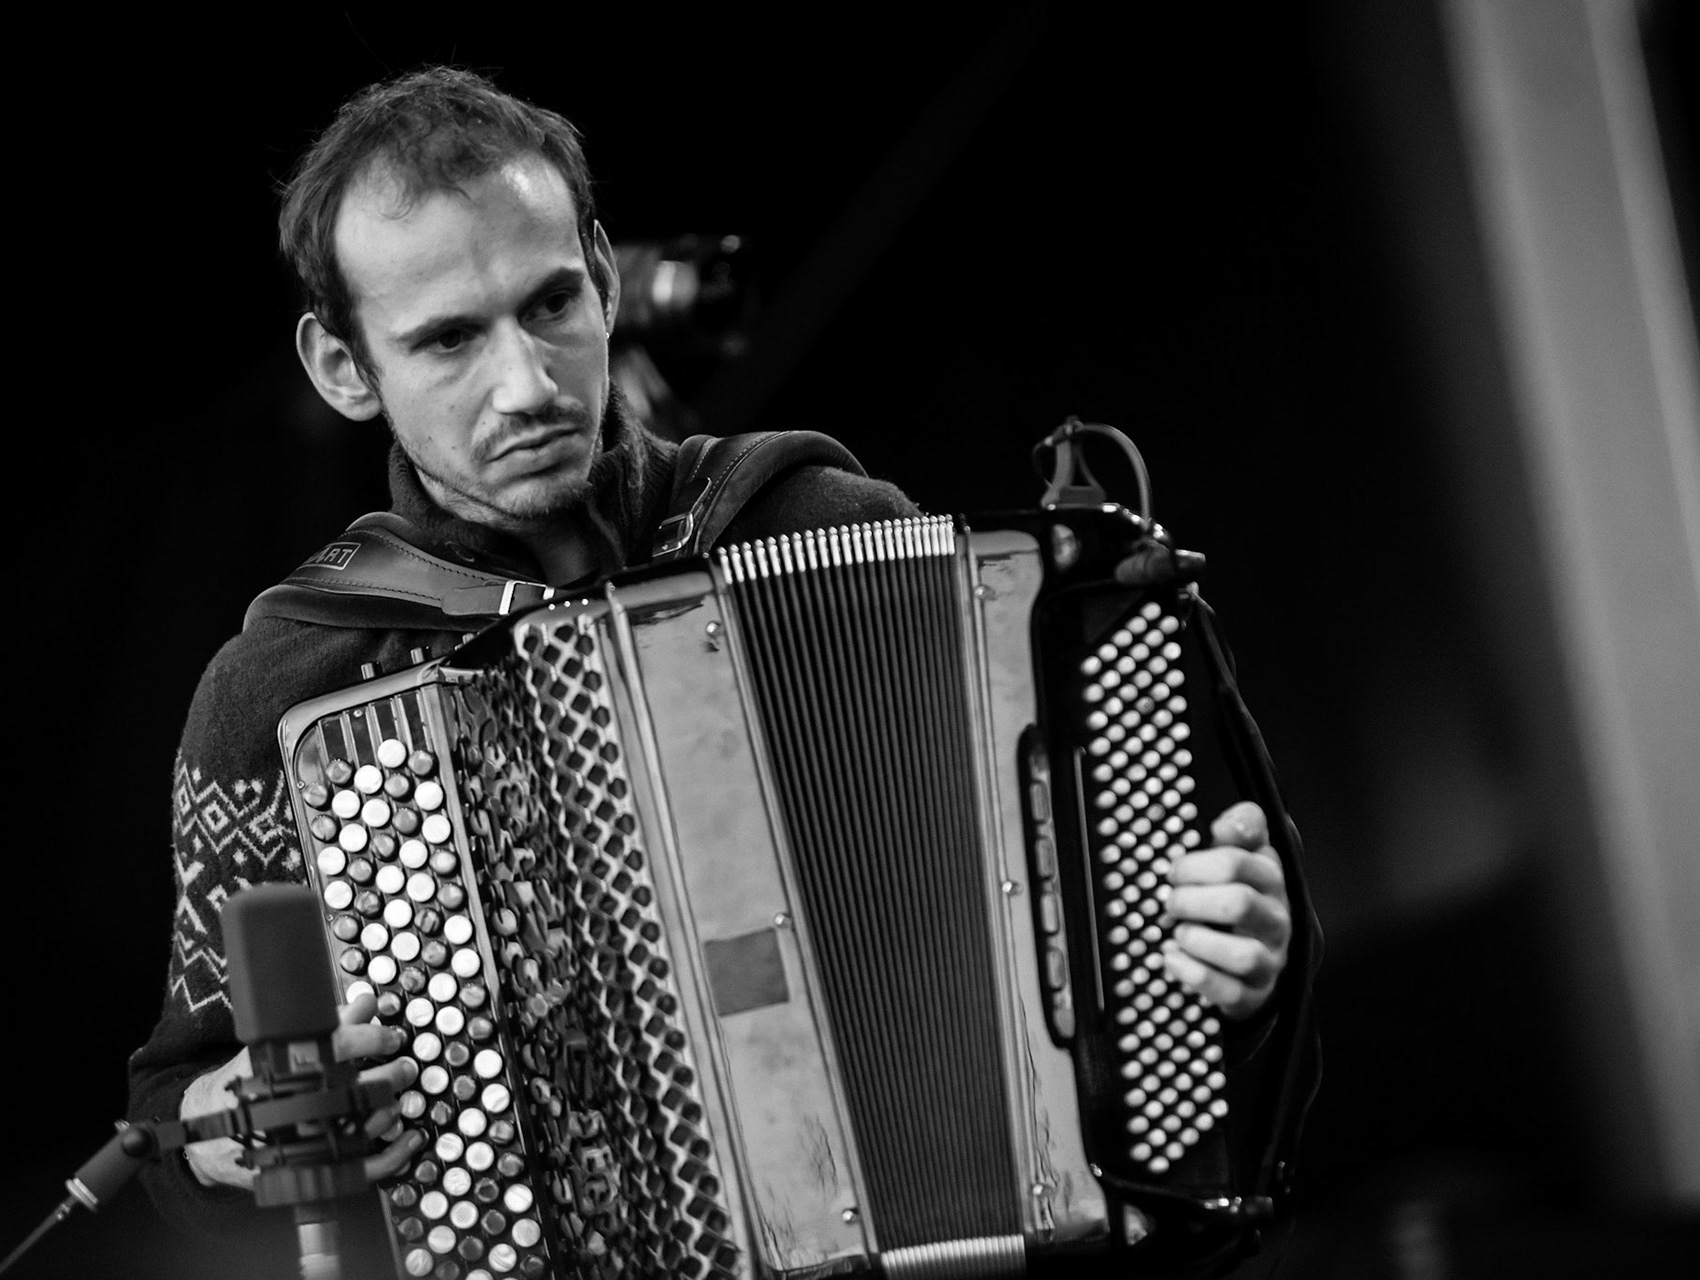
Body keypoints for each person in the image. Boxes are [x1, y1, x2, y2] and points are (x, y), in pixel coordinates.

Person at [127, 64, 1295, 1261]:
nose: (524, 385)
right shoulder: (292, 685)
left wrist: (1229, 958)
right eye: (448, 341)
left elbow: (1095, 926)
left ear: (605, 273)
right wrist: (230, 1127)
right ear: (341, 367)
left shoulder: (815, 520)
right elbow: (175, 1105)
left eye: (549, 307)